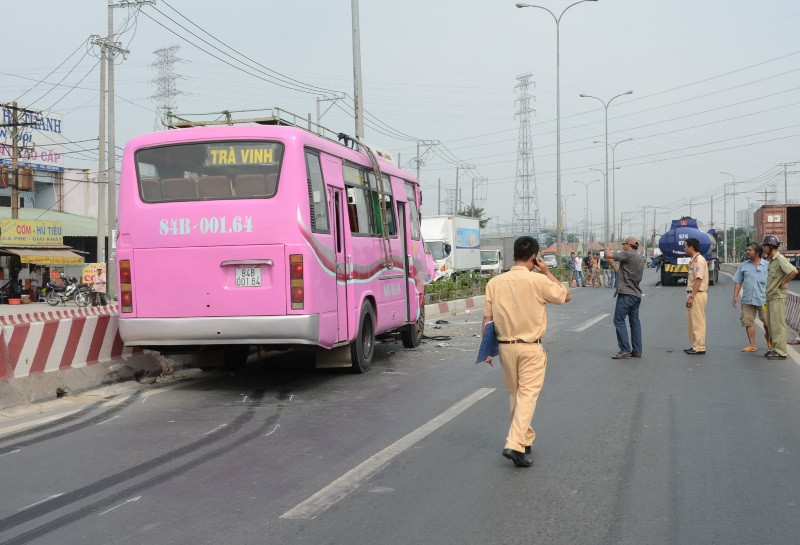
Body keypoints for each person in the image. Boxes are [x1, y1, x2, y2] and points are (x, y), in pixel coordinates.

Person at [482, 236, 571, 467]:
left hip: (505, 349)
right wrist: (547, 273)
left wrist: (486, 350)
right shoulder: (538, 281)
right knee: (527, 396)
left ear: (513, 256)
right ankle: (514, 444)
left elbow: (488, 319)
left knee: (516, 395)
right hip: (530, 348)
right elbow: (565, 295)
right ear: (535, 257)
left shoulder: (495, 283)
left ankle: (525, 438)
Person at [605, 236, 644, 359]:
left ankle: (625, 349)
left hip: (626, 294)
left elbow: (610, 255)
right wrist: (611, 264)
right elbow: (622, 273)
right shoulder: (640, 258)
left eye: (624, 244)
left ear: (628, 245)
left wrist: (607, 249)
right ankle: (637, 351)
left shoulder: (629, 254)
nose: (623, 246)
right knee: (635, 323)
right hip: (635, 294)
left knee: (618, 320)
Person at [762, 235, 798, 360]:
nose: (764, 249)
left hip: (777, 297)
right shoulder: (772, 260)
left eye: (765, 246)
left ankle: (780, 351)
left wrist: (784, 282)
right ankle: (774, 348)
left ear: (771, 247)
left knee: (778, 324)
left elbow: (794, 271)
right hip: (771, 297)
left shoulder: (780, 259)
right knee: (772, 325)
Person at [732, 243, 770, 353]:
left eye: (750, 250)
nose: (747, 252)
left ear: (757, 253)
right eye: (747, 250)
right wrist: (735, 296)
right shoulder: (743, 266)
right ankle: (752, 345)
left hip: (763, 300)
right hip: (747, 299)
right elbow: (738, 281)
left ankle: (768, 336)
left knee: (767, 322)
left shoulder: (768, 265)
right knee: (748, 321)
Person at [684, 237, 708, 355]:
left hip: (697, 295)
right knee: (692, 322)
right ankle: (694, 345)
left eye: (685, 246)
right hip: (694, 294)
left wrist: (692, 296)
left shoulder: (699, 260)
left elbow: (698, 280)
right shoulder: (694, 260)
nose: (684, 249)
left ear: (691, 247)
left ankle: (699, 346)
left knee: (698, 322)